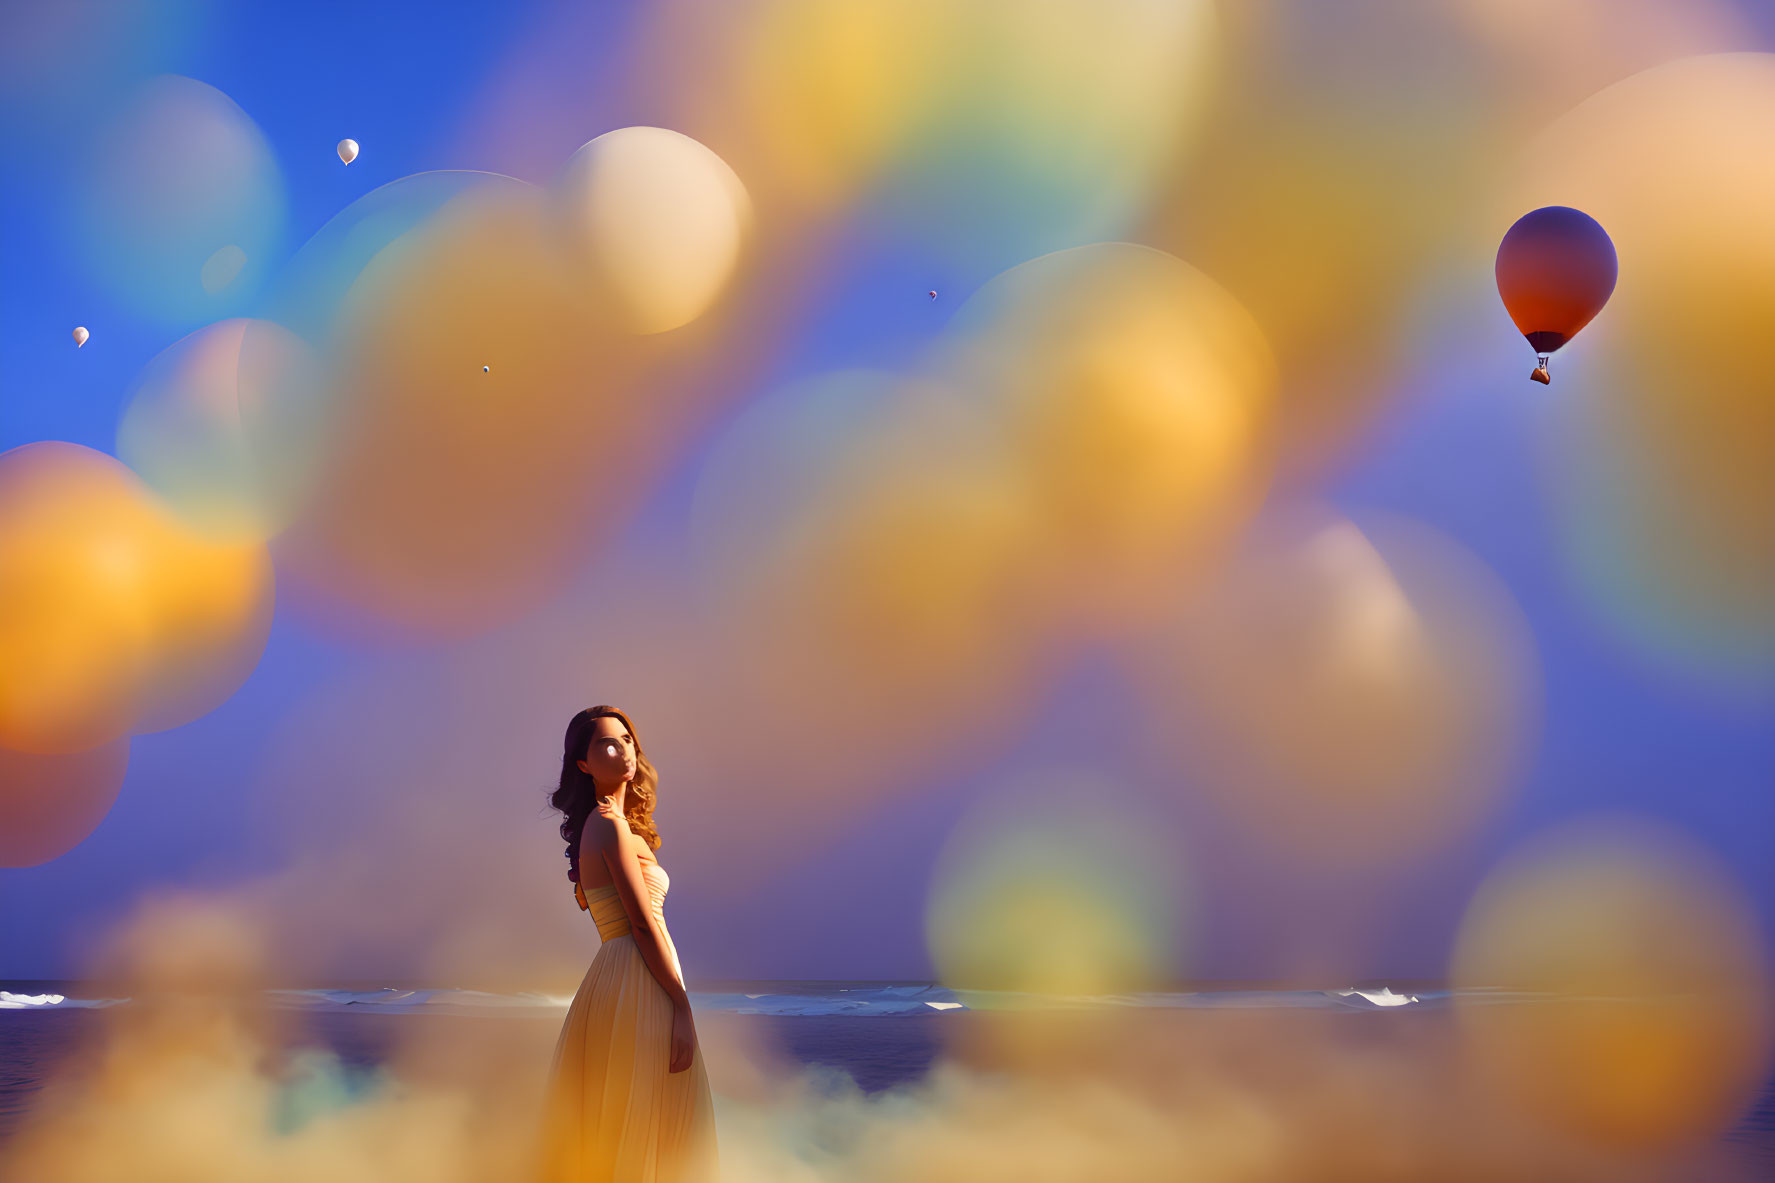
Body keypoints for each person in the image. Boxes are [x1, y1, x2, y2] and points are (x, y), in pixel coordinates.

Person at [537, 705, 718, 1182]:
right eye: (606, 744)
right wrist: (680, 1005)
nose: (623, 750)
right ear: (583, 764)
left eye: (627, 740)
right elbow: (640, 924)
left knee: (633, 1122)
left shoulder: (615, 825)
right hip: (638, 981)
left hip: (626, 979)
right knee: (645, 1120)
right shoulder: (610, 826)